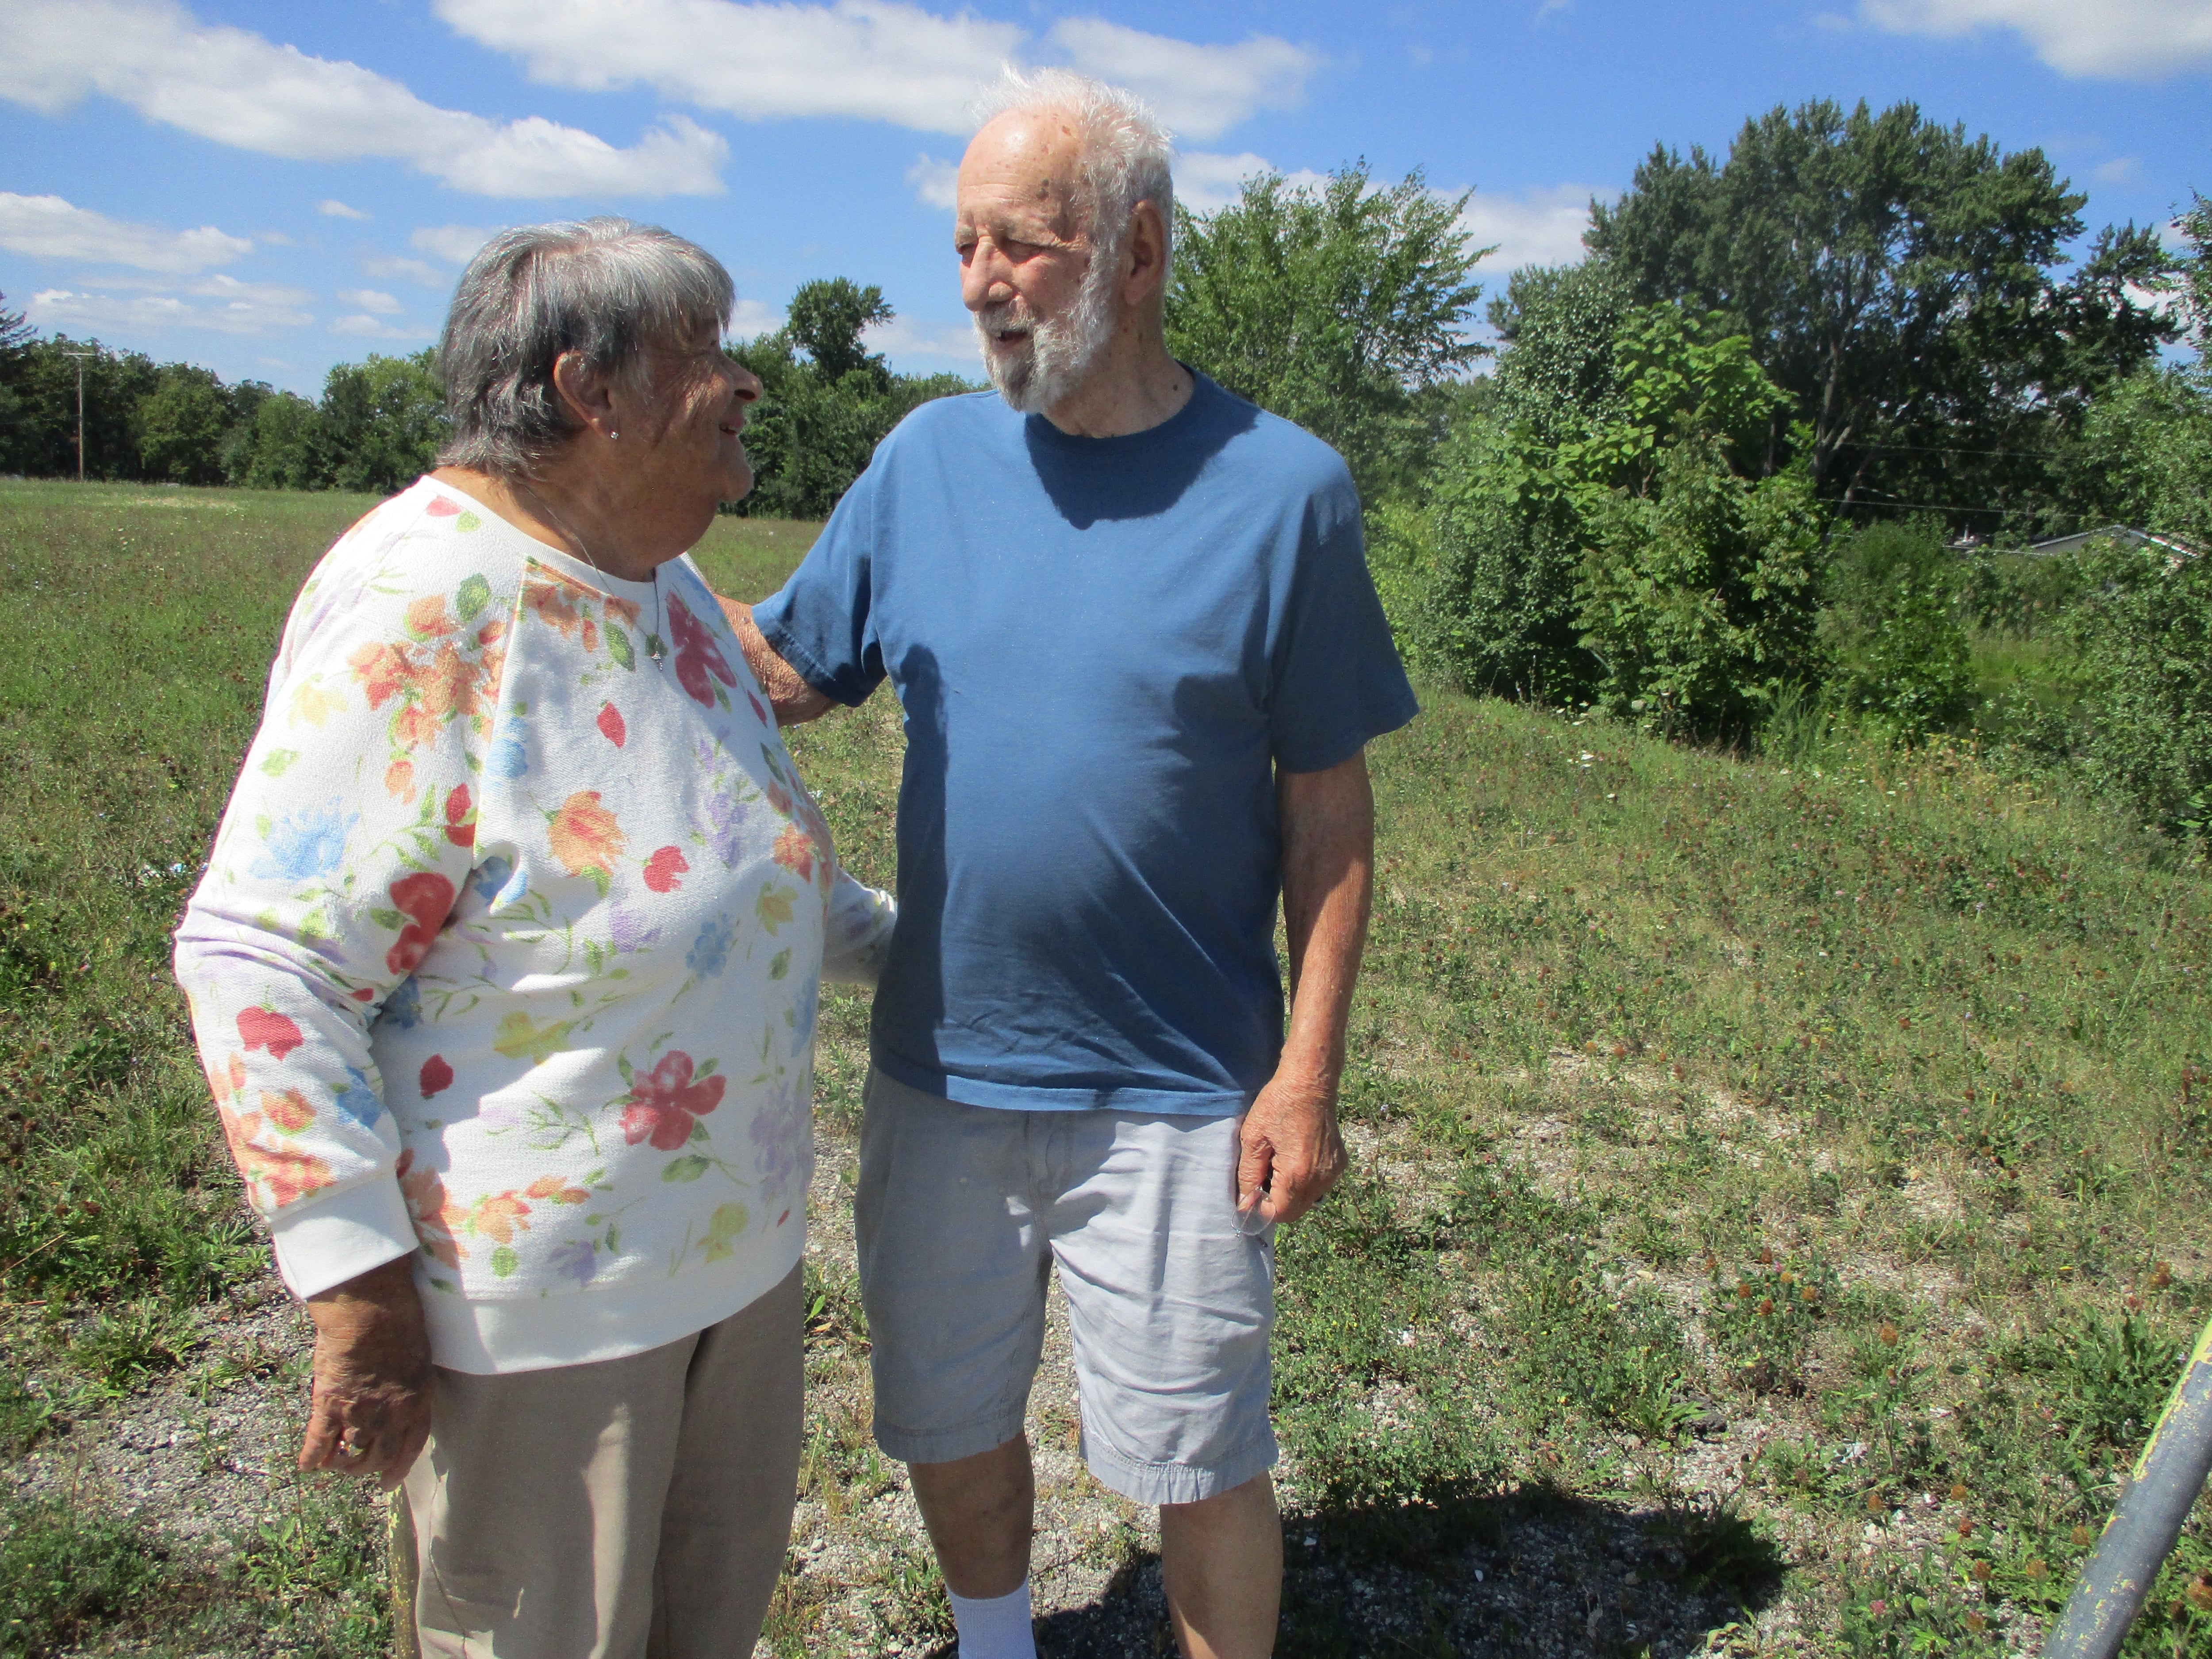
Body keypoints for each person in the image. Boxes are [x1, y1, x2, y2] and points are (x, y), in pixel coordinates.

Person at [731, 70, 1417, 1659]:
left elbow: (1331, 817)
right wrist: (576, 562)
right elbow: (783, 671)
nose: (981, 282)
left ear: (1142, 249)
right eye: (964, 244)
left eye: (1023, 245)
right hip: (943, 1067)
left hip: (1180, 1088)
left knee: (1201, 1455)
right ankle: (994, 1646)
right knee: (946, 1410)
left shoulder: (1285, 494)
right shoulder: (924, 465)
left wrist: (1306, 1073)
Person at [173, 218, 894, 1659]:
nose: (748, 385)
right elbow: (264, 963)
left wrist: (956, 950)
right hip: (543, 1325)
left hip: (732, 1279)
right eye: (708, 355)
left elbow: (773, 877)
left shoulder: (670, 589)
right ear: (591, 390)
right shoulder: (424, 599)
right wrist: (356, 1290)